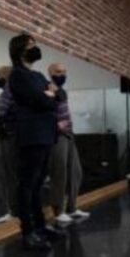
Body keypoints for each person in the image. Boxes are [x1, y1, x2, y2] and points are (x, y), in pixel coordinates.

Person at [8, 34, 64, 251]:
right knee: (28, 184)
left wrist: (49, 95)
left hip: (46, 134)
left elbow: (60, 97)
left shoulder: (39, 75)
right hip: (31, 135)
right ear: (20, 50)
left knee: (38, 184)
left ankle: (41, 226)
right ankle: (28, 231)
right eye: (31, 45)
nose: (35, 48)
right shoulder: (17, 76)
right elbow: (39, 99)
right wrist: (48, 95)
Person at [46, 62, 89, 224]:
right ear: (50, 73)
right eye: (58, 71)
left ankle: (72, 207)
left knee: (75, 171)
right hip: (58, 136)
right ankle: (58, 211)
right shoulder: (48, 88)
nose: (62, 74)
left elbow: (61, 100)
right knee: (59, 173)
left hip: (69, 134)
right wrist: (55, 125)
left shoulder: (61, 90)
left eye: (64, 71)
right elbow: (44, 110)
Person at [0, 66, 19, 223]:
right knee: (12, 175)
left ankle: (13, 210)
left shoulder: (8, 93)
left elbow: (1, 115)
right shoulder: (15, 93)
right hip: (13, 137)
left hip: (8, 138)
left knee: (6, 175)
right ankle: (16, 209)